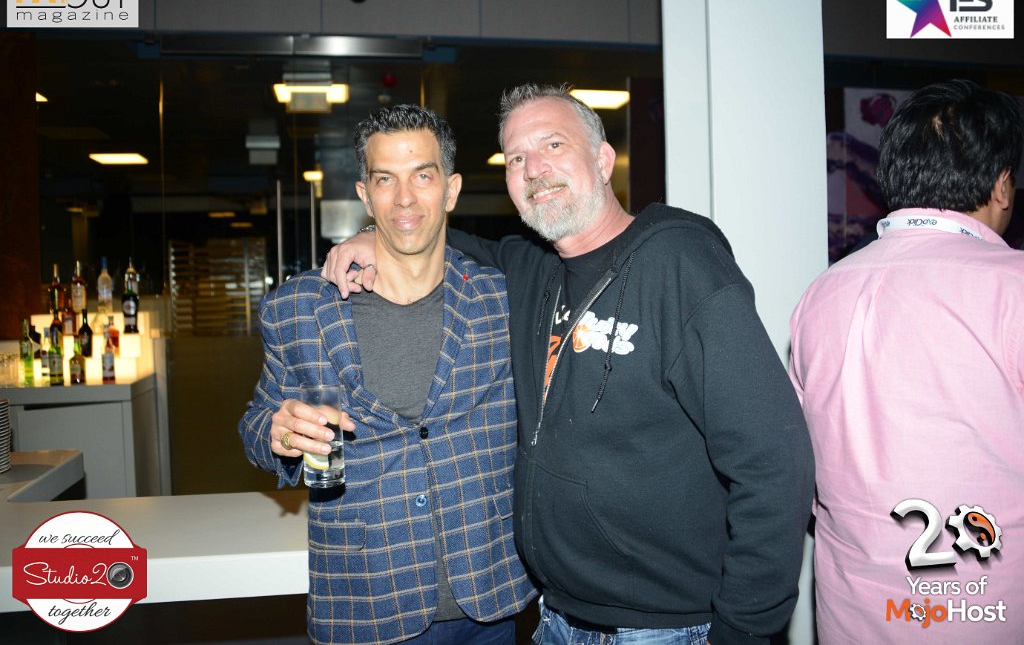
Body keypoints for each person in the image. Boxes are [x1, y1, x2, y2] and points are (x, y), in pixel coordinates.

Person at [323, 84, 814, 645]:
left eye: (553, 145)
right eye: (516, 158)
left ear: (602, 161)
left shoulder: (680, 267)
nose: (534, 169)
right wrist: (375, 234)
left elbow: (776, 461)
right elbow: (433, 235)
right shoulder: (531, 269)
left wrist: (743, 631)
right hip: (556, 619)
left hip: (666, 629)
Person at [239, 104, 535, 645]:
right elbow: (257, 422)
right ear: (365, 194)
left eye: (422, 176)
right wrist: (276, 434)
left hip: (488, 599)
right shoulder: (297, 308)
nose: (403, 198)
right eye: (385, 179)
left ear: (451, 190)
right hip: (365, 602)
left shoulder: (502, 301)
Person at [789, 80, 1024, 644]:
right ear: (1001, 185)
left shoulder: (821, 293)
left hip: (852, 614)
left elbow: (799, 466)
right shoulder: (1013, 288)